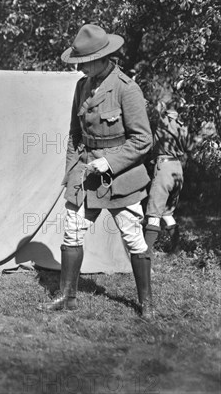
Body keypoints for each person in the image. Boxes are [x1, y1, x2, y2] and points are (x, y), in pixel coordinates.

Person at [38, 24, 155, 319]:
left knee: (133, 237)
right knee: (72, 230)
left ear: (104, 57)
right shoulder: (82, 86)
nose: (80, 67)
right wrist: (71, 173)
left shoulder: (127, 89)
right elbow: (75, 135)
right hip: (86, 174)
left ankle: (147, 303)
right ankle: (67, 297)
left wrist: (111, 162)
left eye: (85, 62)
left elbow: (143, 140)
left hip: (121, 177)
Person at [143, 106, 190, 254]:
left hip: (164, 167)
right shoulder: (182, 126)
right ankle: (176, 251)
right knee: (167, 213)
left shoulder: (164, 122)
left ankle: (145, 256)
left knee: (153, 215)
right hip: (177, 169)